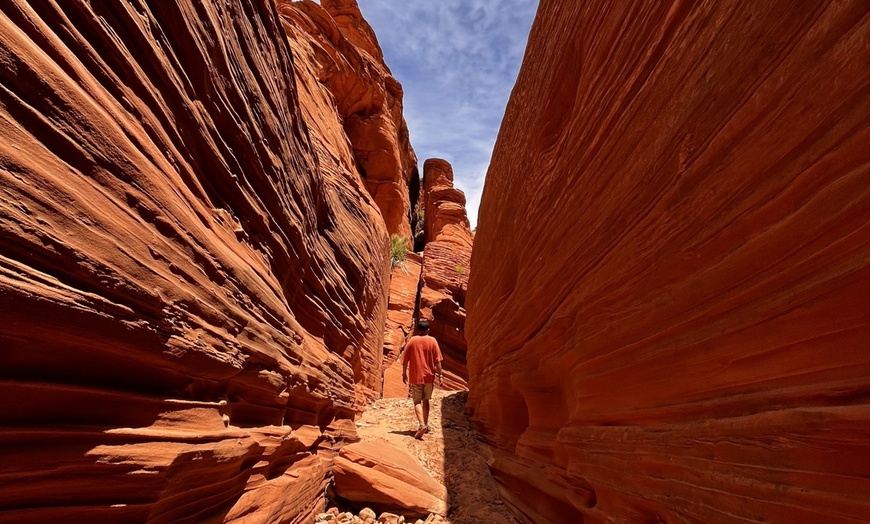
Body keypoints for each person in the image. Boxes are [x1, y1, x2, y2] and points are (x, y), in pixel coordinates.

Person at [401, 319, 443, 439]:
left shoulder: (412, 341)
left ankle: (421, 425)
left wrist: (404, 373)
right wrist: (440, 375)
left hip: (416, 376)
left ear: (418, 330)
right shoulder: (433, 341)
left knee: (416, 401)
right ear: (428, 330)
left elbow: (405, 359)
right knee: (426, 400)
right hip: (429, 376)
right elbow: (438, 361)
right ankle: (426, 424)